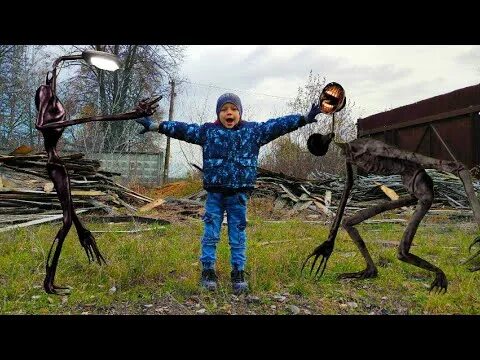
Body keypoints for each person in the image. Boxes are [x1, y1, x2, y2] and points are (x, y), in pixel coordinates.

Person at [137, 93, 320, 294]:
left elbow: (277, 125)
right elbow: (183, 129)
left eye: (233, 109)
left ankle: (238, 272)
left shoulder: (254, 132)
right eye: (224, 109)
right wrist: (156, 126)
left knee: (238, 234)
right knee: (210, 233)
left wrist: (303, 119)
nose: (229, 112)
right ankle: (208, 271)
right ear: (218, 114)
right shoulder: (208, 132)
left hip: (239, 195)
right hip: (215, 194)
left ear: (240, 112)